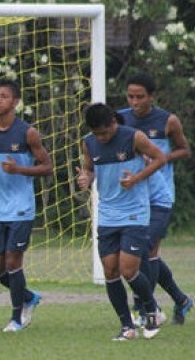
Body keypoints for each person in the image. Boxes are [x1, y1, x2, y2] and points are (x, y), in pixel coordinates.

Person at [76, 103, 167, 340]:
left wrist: (136, 178)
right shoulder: (89, 142)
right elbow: (89, 169)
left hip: (134, 213)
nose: (101, 138)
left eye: (105, 133)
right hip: (107, 214)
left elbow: (160, 158)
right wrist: (86, 178)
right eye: (97, 134)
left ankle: (151, 310)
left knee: (128, 269)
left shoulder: (134, 137)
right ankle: (127, 327)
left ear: (113, 123)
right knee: (110, 271)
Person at [118, 73, 193, 325]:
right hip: (131, 197)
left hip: (160, 196)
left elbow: (184, 150)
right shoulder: (121, 119)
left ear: (152, 97)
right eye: (130, 96)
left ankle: (144, 309)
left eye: (140, 97)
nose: (135, 101)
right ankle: (181, 300)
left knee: (145, 250)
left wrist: (160, 156)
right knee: (147, 254)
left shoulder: (167, 120)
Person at [0, 78, 53, 332]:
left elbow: (47, 167)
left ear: (15, 102)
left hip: (21, 208)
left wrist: (19, 168)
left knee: (12, 262)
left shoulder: (27, 132)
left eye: (3, 96)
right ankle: (28, 297)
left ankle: (16, 318)